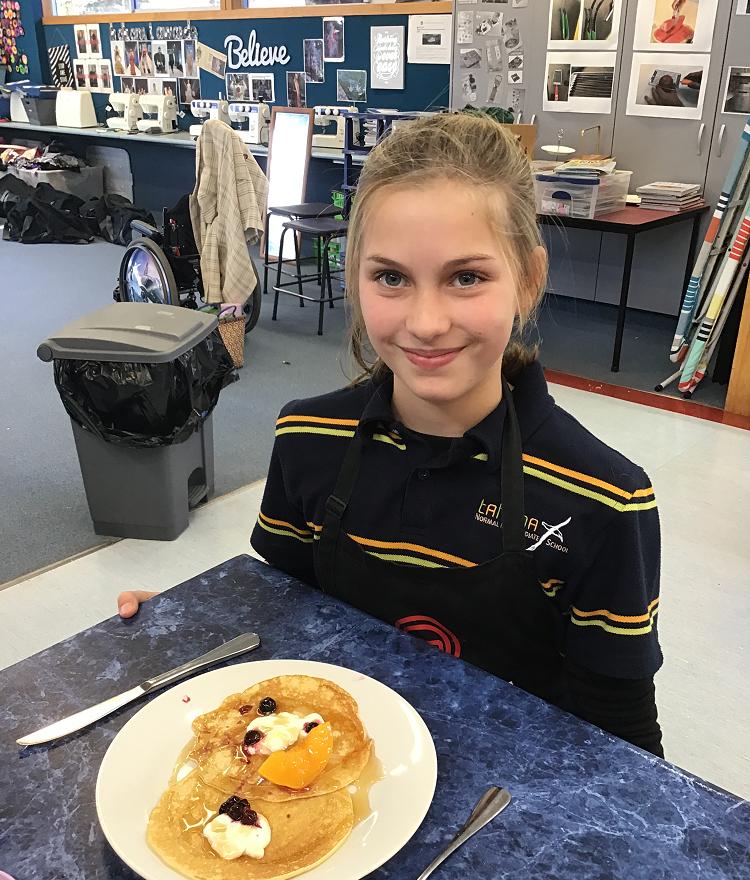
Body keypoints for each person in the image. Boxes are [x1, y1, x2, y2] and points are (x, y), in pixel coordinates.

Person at [118, 113, 664, 756]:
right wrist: (200, 624)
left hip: (503, 797)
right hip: (337, 769)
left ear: (528, 280)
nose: (426, 322)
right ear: (355, 278)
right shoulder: (307, 437)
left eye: (466, 277)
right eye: (391, 278)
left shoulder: (604, 499)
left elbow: (623, 744)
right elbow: (287, 614)